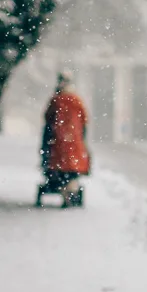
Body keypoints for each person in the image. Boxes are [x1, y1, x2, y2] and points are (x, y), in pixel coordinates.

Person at [41, 72, 90, 207]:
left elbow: (47, 119)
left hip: (58, 143)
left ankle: (64, 193)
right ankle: (71, 191)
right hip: (75, 143)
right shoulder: (77, 101)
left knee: (60, 170)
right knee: (72, 171)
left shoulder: (56, 100)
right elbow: (84, 121)